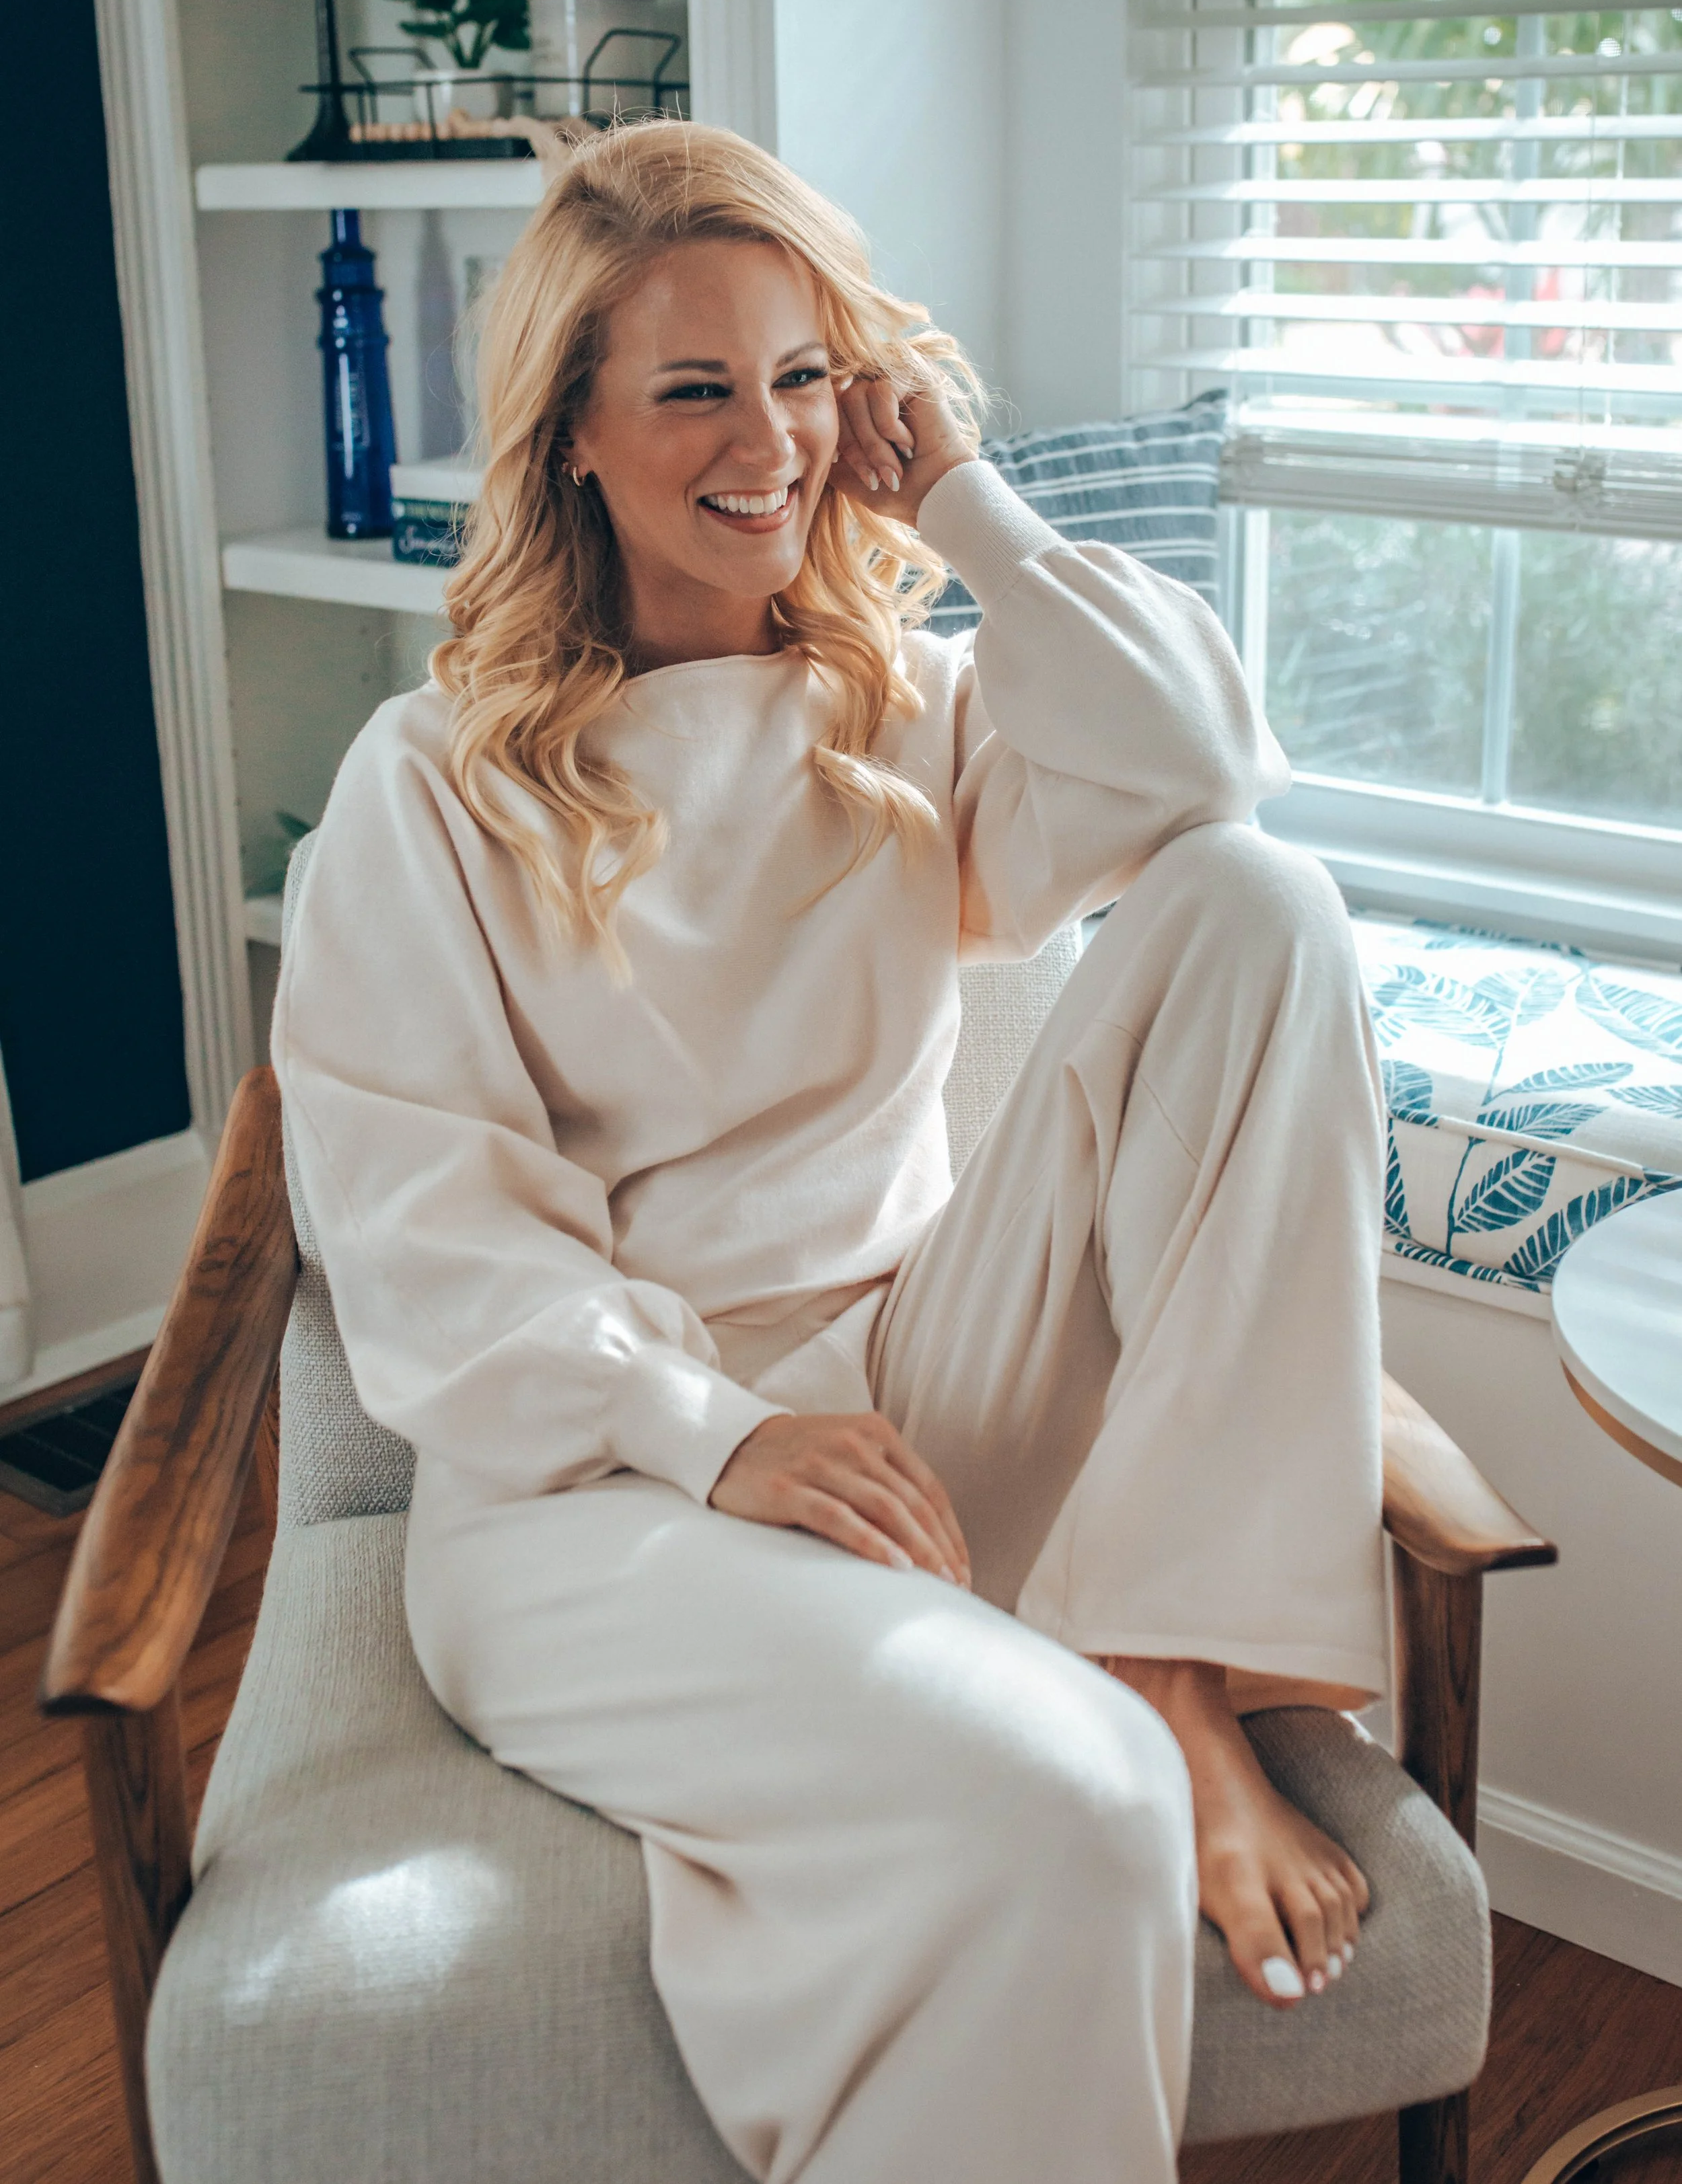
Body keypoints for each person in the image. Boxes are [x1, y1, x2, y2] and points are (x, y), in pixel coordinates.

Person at [273, 120, 1389, 2184]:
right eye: (693, 386)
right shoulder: (431, 784)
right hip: (592, 1486)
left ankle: (1161, 1652)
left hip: (906, 1401)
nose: (766, 440)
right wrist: (714, 1430)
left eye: (800, 377)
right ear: (574, 436)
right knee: (1065, 1812)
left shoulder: (903, 711)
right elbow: (425, 1240)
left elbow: (1204, 765)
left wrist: (955, 487)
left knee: (1260, 902)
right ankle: (1094, 1744)